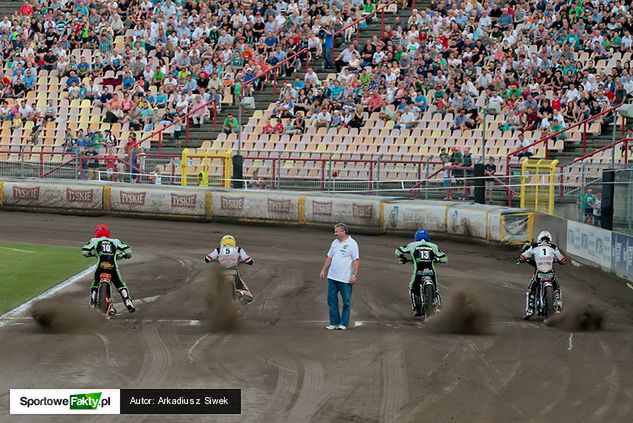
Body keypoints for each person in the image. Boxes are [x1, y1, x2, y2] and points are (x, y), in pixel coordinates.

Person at [81, 224, 136, 313]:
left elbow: (84, 251)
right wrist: (123, 255)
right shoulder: (115, 241)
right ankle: (127, 301)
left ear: (97, 232)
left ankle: (92, 303)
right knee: (120, 285)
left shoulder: (94, 240)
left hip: (101, 266)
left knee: (95, 284)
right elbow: (128, 251)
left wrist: (93, 254)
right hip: (112, 267)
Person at [394, 229, 448, 319]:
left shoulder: (412, 245)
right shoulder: (433, 246)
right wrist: (437, 260)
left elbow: (398, 251)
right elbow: (444, 258)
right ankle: (439, 306)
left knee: (413, 287)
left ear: (416, 238)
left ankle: (417, 309)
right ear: (428, 238)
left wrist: (403, 258)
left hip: (418, 272)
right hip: (431, 272)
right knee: (436, 289)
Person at [518, 231, 567, 320]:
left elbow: (523, 256)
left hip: (539, 274)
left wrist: (522, 259)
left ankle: (530, 310)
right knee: (557, 288)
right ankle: (559, 305)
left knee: (530, 290)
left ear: (539, 238)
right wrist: (559, 261)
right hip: (550, 274)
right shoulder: (553, 247)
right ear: (550, 240)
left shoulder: (534, 246)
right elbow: (563, 259)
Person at [319, 223, 360, 330]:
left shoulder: (352, 243)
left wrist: (354, 275)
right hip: (332, 277)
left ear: (343, 232)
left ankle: (343, 323)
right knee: (331, 300)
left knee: (346, 301)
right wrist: (323, 270)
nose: (335, 233)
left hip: (345, 278)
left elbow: (355, 260)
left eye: (337, 231)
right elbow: (329, 257)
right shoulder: (334, 243)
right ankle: (334, 323)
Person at [204, 235, 254, 304]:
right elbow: (248, 260)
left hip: (223, 271)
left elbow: (207, 258)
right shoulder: (238, 249)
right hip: (233, 270)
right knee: (239, 282)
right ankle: (244, 293)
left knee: (219, 285)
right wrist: (250, 262)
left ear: (222, 243)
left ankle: (218, 297)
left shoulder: (218, 250)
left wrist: (210, 260)